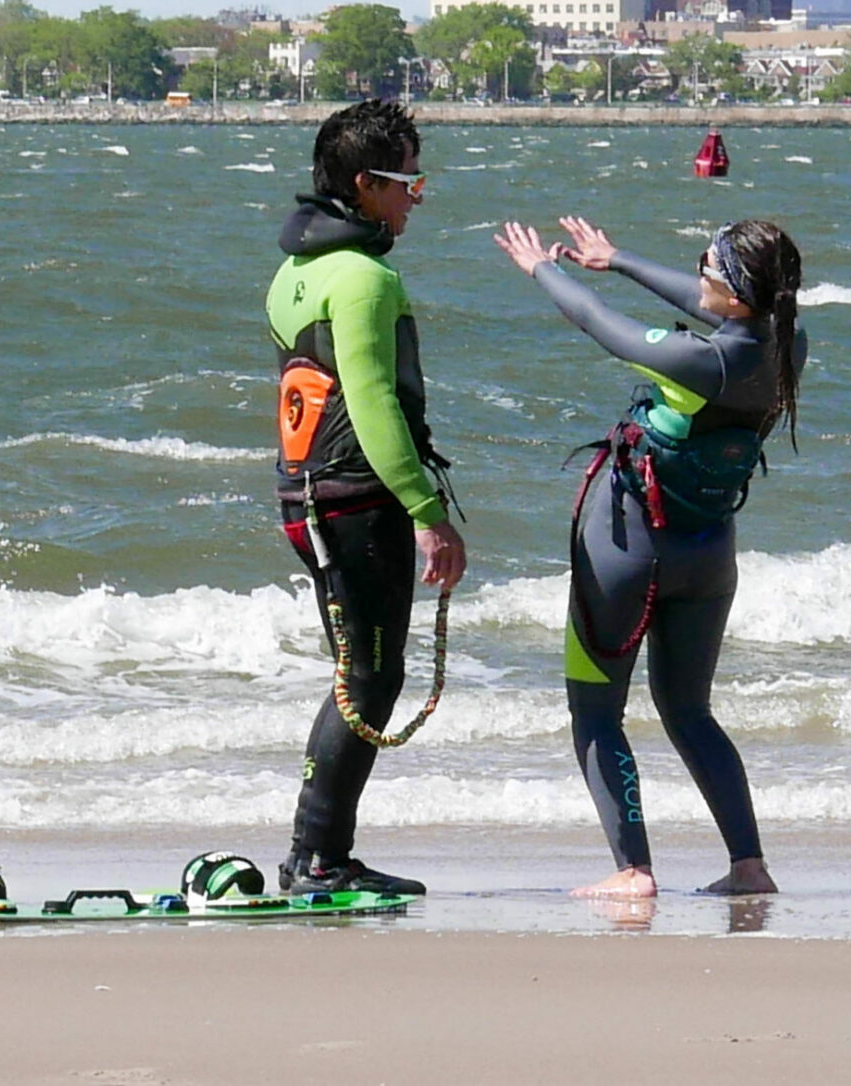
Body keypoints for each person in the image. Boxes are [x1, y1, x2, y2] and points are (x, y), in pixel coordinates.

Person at [494, 214, 806, 899]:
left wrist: (542, 269)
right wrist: (618, 257)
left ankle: (633, 870)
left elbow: (598, 323)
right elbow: (705, 305)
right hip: (709, 554)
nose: (697, 275)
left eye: (708, 265)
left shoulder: (702, 361)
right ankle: (749, 865)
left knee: (596, 712)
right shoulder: (787, 345)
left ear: (739, 289)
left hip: (628, 552)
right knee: (690, 711)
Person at [268, 99, 466, 896]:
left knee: (359, 673)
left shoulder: (296, 270)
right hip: (358, 500)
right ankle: (317, 855)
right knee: (369, 679)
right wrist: (427, 512)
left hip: (306, 494)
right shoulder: (365, 278)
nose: (417, 195)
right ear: (364, 185)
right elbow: (376, 403)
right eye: (406, 180)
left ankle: (315, 853)